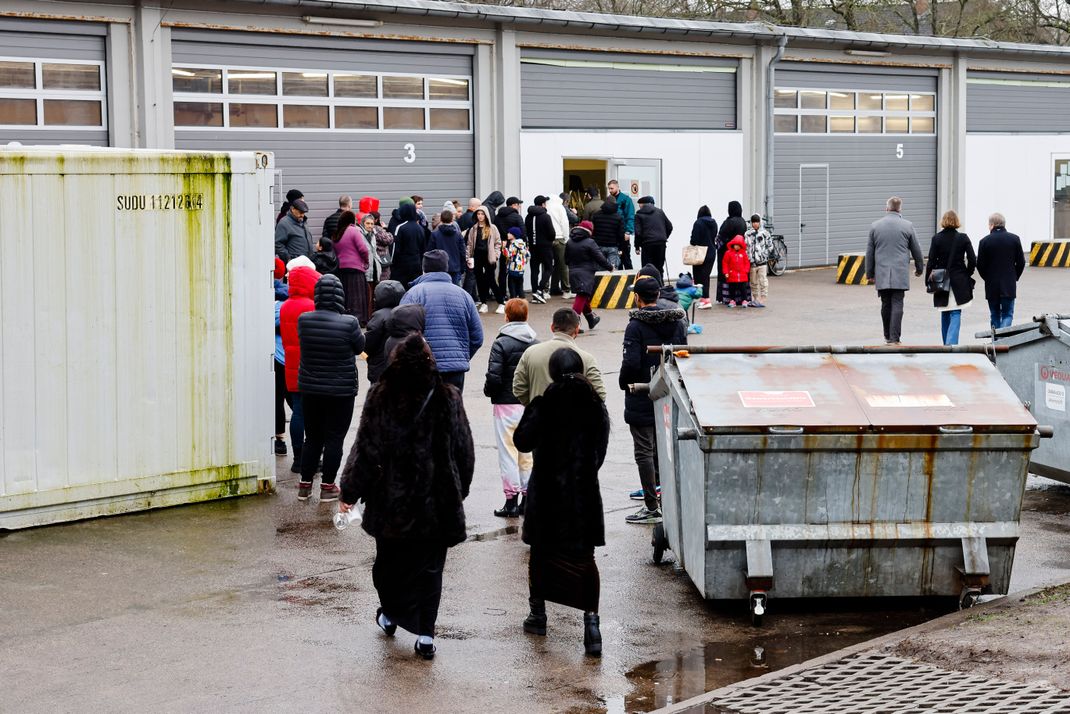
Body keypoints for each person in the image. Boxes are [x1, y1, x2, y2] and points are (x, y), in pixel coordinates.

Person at [338, 334, 475, 661]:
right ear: (430, 361)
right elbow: (464, 450)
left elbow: (366, 449)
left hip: (391, 501)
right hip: (436, 500)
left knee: (389, 563)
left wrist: (350, 491)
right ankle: (426, 634)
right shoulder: (448, 396)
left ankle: (389, 612)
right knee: (431, 570)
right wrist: (459, 489)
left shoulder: (380, 395)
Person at [514, 347, 610, 657]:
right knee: (585, 559)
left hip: (546, 494)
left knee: (540, 554)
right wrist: (583, 471)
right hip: (583, 495)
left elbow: (522, 441)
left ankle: (538, 615)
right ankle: (591, 625)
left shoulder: (544, 403)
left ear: (553, 371)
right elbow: (600, 451)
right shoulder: (595, 405)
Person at [620, 276, 687, 525]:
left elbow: (630, 362)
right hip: (669, 391)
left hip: (641, 392)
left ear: (637, 297)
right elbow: (684, 355)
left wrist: (624, 384)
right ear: (658, 295)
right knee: (667, 446)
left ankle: (651, 505)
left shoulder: (635, 325)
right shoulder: (677, 322)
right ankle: (670, 499)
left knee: (644, 450)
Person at [295, 274, 365, 502]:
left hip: (310, 389)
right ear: (340, 295)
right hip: (341, 391)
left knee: (312, 437)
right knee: (334, 438)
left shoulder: (304, 320)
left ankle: (304, 486)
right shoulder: (349, 323)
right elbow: (359, 347)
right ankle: (327, 487)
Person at [484, 298, 538, 518]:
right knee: (527, 454)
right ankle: (527, 498)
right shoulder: (535, 342)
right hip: (529, 404)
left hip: (505, 404)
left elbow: (494, 378)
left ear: (507, 316)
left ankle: (510, 501)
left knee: (508, 453)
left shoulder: (501, 343)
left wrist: (490, 392)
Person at [400, 250, 484, 391]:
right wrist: (460, 356)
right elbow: (477, 337)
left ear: (424, 269)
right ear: (446, 268)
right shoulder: (464, 296)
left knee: (424, 411)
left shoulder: (413, 294)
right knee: (451, 410)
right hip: (455, 370)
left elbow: (402, 333)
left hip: (422, 369)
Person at [513, 307, 607, 405]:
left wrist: (534, 407)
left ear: (552, 327)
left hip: (540, 418)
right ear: (577, 329)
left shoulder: (530, 353)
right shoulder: (587, 359)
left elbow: (518, 387)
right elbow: (600, 395)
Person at [279, 257, 321, 473]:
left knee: (297, 411)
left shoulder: (285, 306)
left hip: (291, 365)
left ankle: (298, 458)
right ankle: (313, 457)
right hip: (312, 366)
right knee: (315, 415)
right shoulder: (313, 306)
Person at [865, 196, 925, 345]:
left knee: (885, 303)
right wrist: (919, 268)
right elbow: (917, 250)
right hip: (900, 273)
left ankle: (887, 335)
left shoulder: (875, 226)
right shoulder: (908, 226)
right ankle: (894, 338)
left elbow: (869, 252)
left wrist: (869, 273)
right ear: (900, 209)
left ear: (887, 208)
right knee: (898, 303)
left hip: (882, 273)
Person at [924, 210, 976, 345]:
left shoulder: (936, 238)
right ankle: (951, 344)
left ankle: (946, 345)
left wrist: (928, 280)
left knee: (945, 311)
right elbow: (972, 259)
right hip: (959, 279)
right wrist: (967, 274)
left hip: (941, 280)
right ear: (957, 221)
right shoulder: (963, 238)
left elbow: (930, 262)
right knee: (956, 312)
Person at [977, 212, 1026, 330]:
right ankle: (1002, 340)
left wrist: (987, 277)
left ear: (992, 225)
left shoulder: (984, 241)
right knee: (1007, 314)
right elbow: (1021, 262)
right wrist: (1015, 276)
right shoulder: (1014, 239)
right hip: (1009, 284)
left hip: (991, 285)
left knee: (994, 314)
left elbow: (980, 265)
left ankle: (996, 342)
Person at [566, 219, 612, 331]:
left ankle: (591, 319)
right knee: (581, 296)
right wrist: (609, 267)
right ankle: (574, 324)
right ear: (589, 231)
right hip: (586, 273)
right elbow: (599, 257)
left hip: (573, 271)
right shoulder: (590, 242)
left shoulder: (569, 242)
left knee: (584, 295)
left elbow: (566, 259)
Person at [465, 205, 506, 314]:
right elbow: (469, 245)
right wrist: (468, 257)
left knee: (491, 280)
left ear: (486, 215)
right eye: (478, 214)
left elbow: (498, 243)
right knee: (479, 280)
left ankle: (501, 302)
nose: (480, 216)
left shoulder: (493, 228)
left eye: (482, 214)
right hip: (477, 257)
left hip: (489, 257)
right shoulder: (473, 228)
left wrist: (496, 255)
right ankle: (484, 303)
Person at [363, 280, 406, 384]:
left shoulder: (379, 315)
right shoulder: (406, 313)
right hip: (401, 366)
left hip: (380, 366)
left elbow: (369, 343)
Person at [273, 258, 290, 457]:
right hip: (293, 356)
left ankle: (280, 439)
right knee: (296, 401)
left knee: (277, 399)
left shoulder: (274, 301)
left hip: (277, 356)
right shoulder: (291, 296)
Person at [715, 201, 747, 304]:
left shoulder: (729, 222)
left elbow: (721, 238)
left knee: (726, 274)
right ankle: (741, 298)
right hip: (740, 253)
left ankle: (728, 298)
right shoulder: (743, 222)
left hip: (727, 253)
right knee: (740, 275)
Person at [526, 195, 556, 304]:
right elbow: (552, 233)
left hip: (533, 247)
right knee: (549, 268)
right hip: (545, 247)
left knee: (534, 270)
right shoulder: (545, 216)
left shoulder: (528, 216)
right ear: (543, 204)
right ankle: (539, 290)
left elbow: (527, 231)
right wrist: (550, 240)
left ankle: (535, 293)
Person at [391, 202, 427, 289]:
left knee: (401, 290)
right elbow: (423, 249)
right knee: (414, 289)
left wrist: (392, 264)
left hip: (402, 266)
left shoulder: (401, 227)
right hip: (416, 264)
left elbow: (395, 249)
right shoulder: (420, 228)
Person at [634, 196, 673, 277]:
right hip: (661, 243)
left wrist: (637, 246)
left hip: (647, 244)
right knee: (659, 267)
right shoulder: (660, 212)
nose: (639, 207)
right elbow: (669, 227)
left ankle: (649, 286)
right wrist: (663, 237)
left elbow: (638, 233)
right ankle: (660, 286)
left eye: (639, 205)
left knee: (647, 268)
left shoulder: (639, 214)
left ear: (642, 204)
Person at [690, 205, 718, 310]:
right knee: (706, 277)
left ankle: (706, 299)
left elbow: (694, 239)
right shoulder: (714, 223)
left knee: (699, 277)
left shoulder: (698, 223)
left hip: (700, 253)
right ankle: (704, 299)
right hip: (711, 252)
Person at [430, 209, 467, 286]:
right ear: (452, 219)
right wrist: (463, 267)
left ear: (441, 220)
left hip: (439, 268)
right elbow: (463, 252)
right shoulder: (458, 235)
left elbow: (430, 252)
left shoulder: (435, 235)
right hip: (455, 267)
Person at [744, 214, 773, 308]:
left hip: (762, 262)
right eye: (753, 222)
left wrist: (764, 255)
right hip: (752, 262)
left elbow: (770, 246)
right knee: (753, 281)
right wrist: (748, 257)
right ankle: (755, 298)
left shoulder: (765, 233)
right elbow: (745, 247)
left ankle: (763, 298)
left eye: (757, 222)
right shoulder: (747, 234)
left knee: (763, 280)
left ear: (760, 222)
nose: (755, 224)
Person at [275, 198, 314, 263]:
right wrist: (288, 259)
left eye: (304, 213)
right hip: (294, 265)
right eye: (300, 212)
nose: (302, 215)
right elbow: (277, 244)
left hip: (306, 263)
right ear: (293, 209)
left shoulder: (303, 221)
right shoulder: (284, 223)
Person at [608, 180, 636, 269]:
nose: (610, 190)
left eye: (612, 188)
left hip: (623, 233)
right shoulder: (609, 199)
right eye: (609, 188)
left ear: (617, 187)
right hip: (613, 234)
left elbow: (630, 216)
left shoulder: (625, 200)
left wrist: (628, 231)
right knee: (616, 260)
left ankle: (631, 280)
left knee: (626, 258)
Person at [591, 199, 625, 270]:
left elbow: (592, 231)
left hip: (598, 246)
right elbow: (621, 234)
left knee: (599, 269)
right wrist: (621, 247)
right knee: (612, 270)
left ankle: (599, 281)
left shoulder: (596, 215)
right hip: (613, 246)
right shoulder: (618, 217)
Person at [723, 235, 752, 308]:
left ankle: (744, 300)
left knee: (743, 288)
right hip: (732, 274)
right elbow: (725, 263)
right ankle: (732, 300)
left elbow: (747, 263)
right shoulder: (728, 253)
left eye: (739, 245)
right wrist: (726, 272)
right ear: (733, 244)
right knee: (732, 288)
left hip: (742, 275)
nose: (737, 247)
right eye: (735, 245)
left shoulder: (744, 253)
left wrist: (746, 270)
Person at [367, 211, 395, 284]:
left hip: (370, 259)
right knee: (383, 281)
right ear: (376, 220)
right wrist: (385, 229)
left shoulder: (365, 228)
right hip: (382, 258)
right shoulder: (378, 229)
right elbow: (389, 240)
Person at [504, 227, 530, 300]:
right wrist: (523, 263)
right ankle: (522, 301)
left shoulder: (513, 245)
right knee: (520, 285)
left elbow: (509, 255)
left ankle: (513, 300)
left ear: (514, 235)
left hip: (513, 268)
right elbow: (528, 255)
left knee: (512, 286)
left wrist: (504, 248)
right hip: (521, 269)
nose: (507, 234)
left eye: (509, 233)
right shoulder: (522, 244)